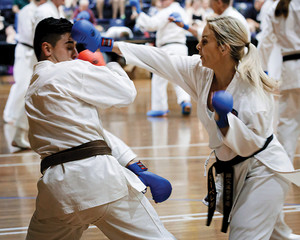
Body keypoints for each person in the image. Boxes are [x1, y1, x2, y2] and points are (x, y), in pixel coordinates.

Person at [72, 15, 300, 239]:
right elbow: (159, 58)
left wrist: (223, 120)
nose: (198, 46)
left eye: (205, 41)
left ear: (223, 48)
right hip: (235, 170)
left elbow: (250, 147)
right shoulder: (200, 71)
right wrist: (107, 43)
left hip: (263, 170)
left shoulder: (252, 94)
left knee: (245, 235)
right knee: (277, 235)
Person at [25, 17, 175, 240]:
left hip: (56, 194)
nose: (76, 53)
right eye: (69, 47)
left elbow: (87, 135)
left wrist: (135, 166)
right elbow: (126, 92)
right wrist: (104, 61)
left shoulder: (32, 90)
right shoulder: (67, 70)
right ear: (47, 49)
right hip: (100, 182)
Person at [129, 0, 192, 117]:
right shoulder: (181, 10)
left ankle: (160, 108)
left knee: (159, 77)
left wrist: (138, 11)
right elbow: (188, 23)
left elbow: (151, 25)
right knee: (180, 77)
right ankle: (185, 101)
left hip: (167, 48)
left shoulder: (168, 11)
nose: (161, 2)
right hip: (181, 47)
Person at [257, 0, 300, 164]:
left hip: (289, 68)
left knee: (288, 121)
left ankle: (284, 165)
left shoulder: (274, 8)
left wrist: (260, 68)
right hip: (290, 67)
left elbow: (265, 40)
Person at [2, 0, 46, 149]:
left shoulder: (38, 10)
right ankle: (10, 115)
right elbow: (29, 33)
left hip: (32, 52)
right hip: (25, 50)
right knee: (21, 85)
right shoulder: (28, 10)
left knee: (26, 87)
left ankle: (12, 116)